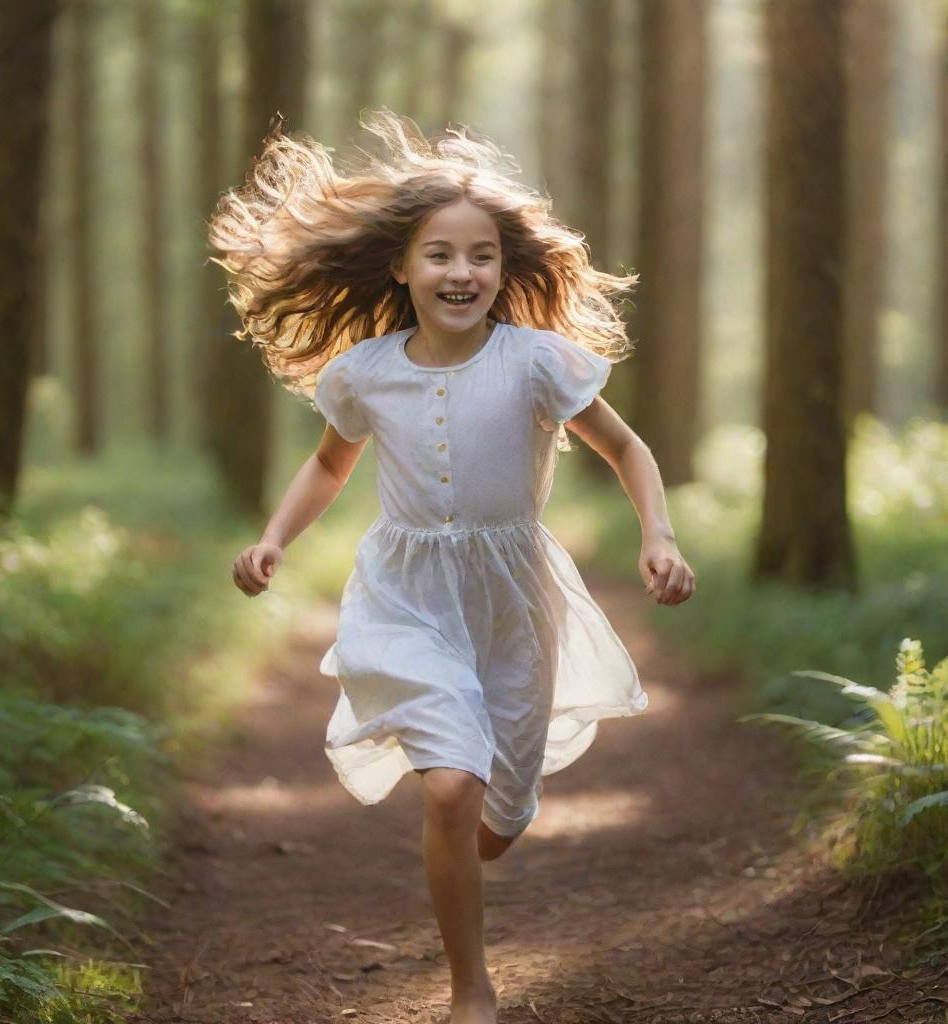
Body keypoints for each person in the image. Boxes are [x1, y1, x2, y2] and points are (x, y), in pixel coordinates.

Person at [211, 109, 695, 1024]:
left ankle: (487, 825)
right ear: (401, 267)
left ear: (505, 271)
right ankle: (472, 990)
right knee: (449, 787)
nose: (461, 272)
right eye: (440, 254)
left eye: (481, 256)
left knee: (496, 823)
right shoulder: (364, 374)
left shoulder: (540, 364)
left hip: (514, 603)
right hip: (408, 597)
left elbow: (628, 451)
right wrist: (276, 539)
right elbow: (327, 464)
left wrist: (658, 536)